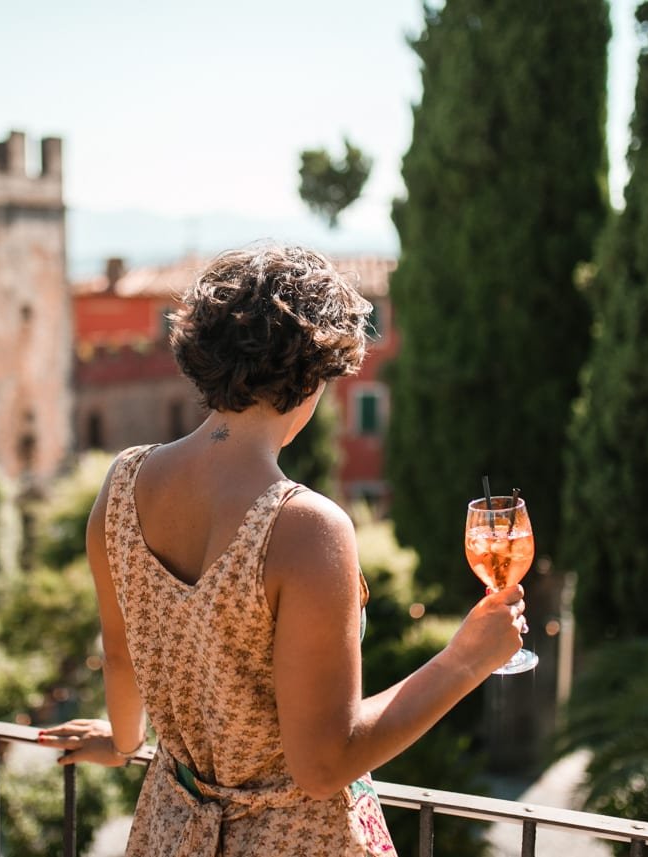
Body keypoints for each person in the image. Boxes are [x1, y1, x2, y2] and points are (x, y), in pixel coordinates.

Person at [37, 245, 527, 856]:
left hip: (171, 830)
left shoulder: (121, 485)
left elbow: (119, 654)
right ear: (315, 375)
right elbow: (324, 764)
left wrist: (122, 742)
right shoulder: (306, 527)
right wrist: (467, 661)